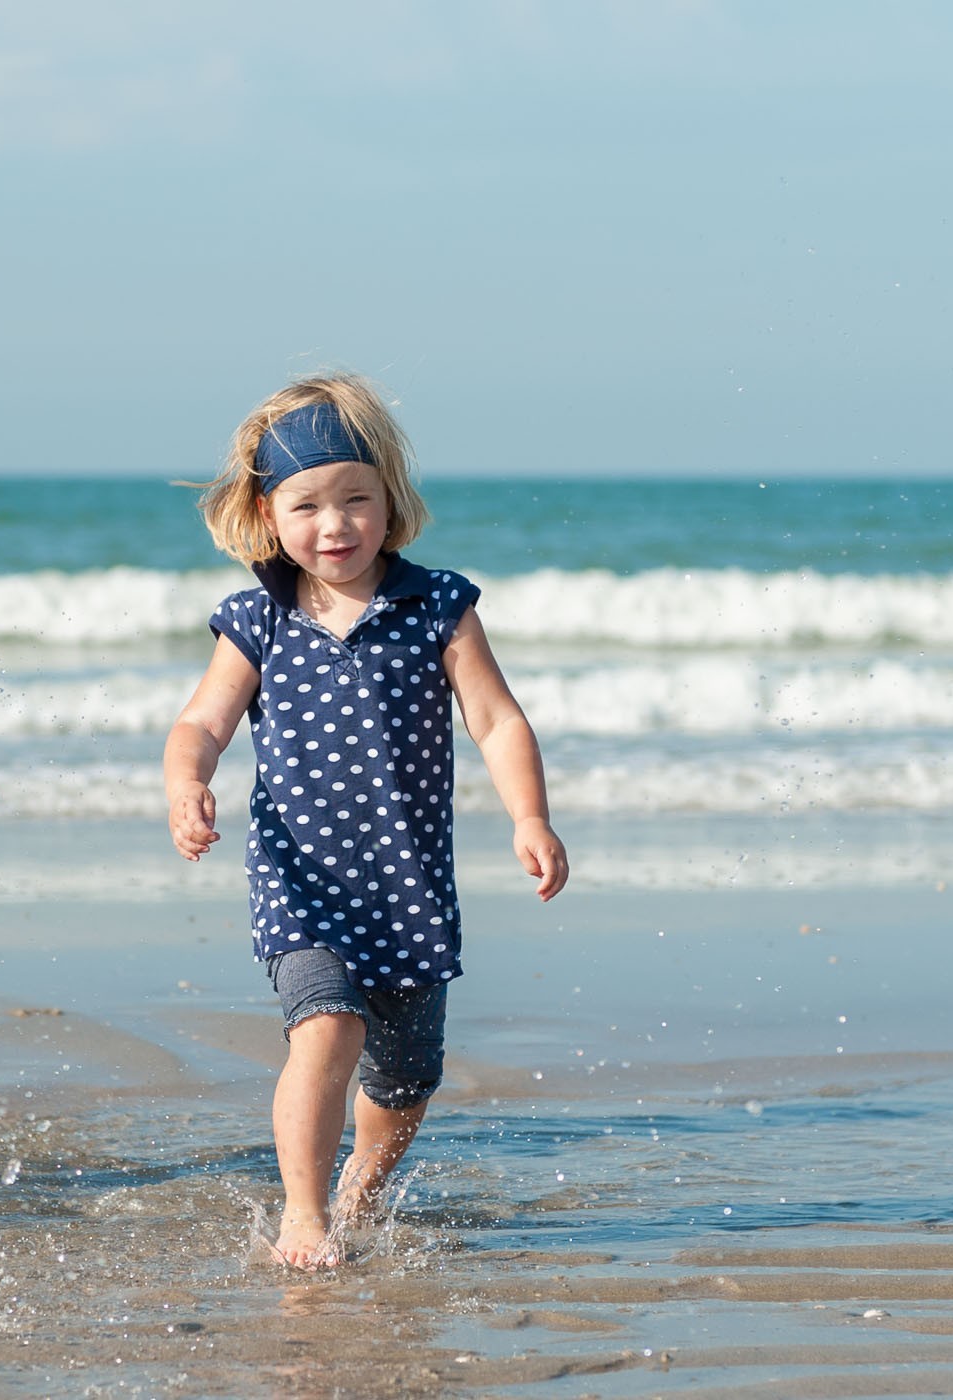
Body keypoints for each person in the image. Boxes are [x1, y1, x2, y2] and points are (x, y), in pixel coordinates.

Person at [163, 374, 568, 1269]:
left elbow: (497, 719)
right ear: (268, 515)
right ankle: (303, 1215)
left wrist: (530, 817)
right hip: (301, 880)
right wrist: (187, 783)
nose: (335, 524)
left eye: (357, 500)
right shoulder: (259, 618)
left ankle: (361, 1192)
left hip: (407, 887)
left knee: (406, 1079)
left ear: (391, 501)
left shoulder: (437, 608)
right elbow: (201, 721)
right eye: (307, 504)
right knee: (327, 1026)